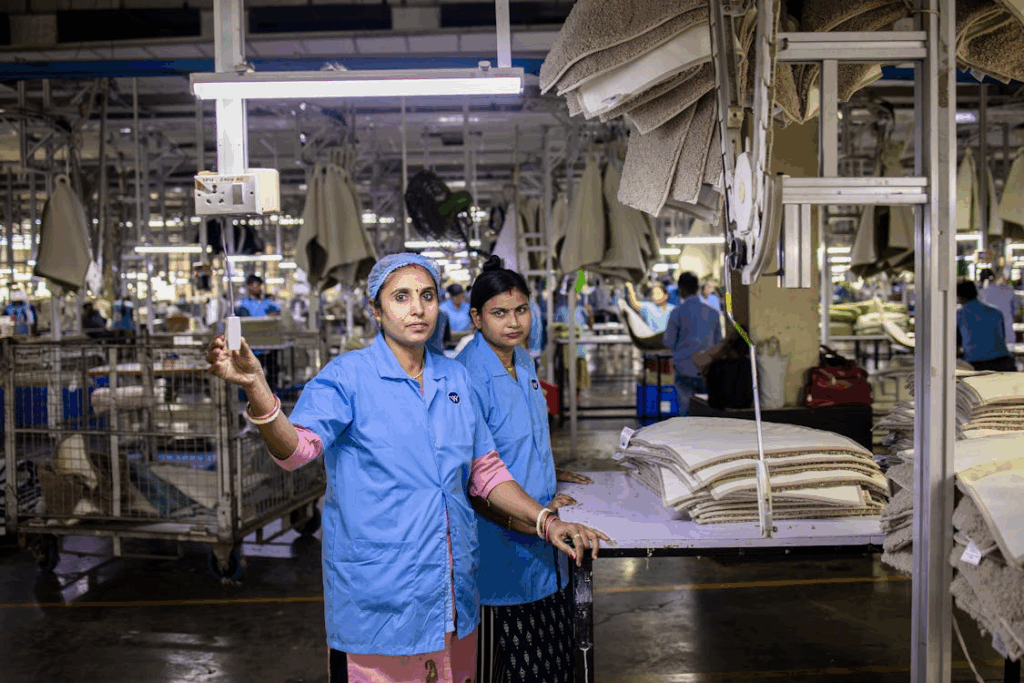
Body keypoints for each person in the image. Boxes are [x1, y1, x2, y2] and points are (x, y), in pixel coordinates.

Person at [205, 253, 608, 683]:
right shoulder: (348, 377)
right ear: (376, 311)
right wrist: (258, 389)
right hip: (382, 597)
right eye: (401, 297)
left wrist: (546, 521)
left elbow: (486, 470)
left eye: (427, 296)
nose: (417, 308)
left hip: (453, 593)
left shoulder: (453, 379)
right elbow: (297, 451)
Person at [457, 256, 596, 683]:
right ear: (476, 318)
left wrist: (550, 469)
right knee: (501, 666)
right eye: (499, 313)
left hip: (544, 537)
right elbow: (472, 482)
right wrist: (534, 521)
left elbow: (524, 434)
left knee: (549, 664)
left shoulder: (524, 361)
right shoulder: (466, 377)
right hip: (501, 550)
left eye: (520, 310)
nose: (513, 322)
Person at [664, 271, 723, 415]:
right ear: (697, 288)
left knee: (686, 415)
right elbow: (718, 344)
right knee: (705, 413)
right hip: (706, 371)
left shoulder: (676, 313)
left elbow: (668, 342)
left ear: (681, 289)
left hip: (683, 371)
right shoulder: (713, 313)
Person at [956, 280, 1016, 372]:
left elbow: (956, 344)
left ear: (958, 296)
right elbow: (1001, 338)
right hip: (1004, 363)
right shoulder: (995, 312)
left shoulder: (959, 315)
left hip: (976, 365)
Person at [978, 268, 1017, 349]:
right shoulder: (1009, 290)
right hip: (1007, 336)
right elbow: (1015, 312)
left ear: (980, 280)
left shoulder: (979, 294)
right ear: (995, 278)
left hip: (987, 339)